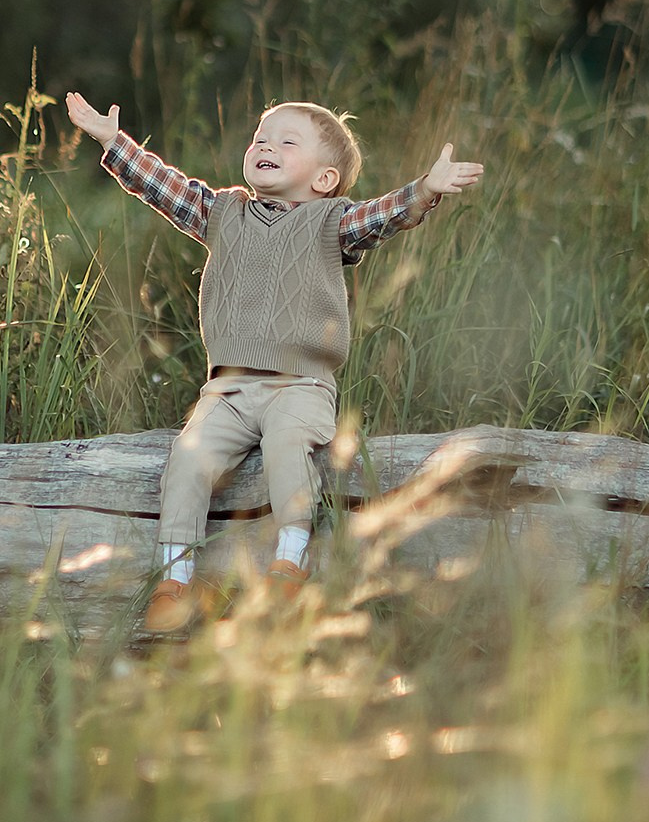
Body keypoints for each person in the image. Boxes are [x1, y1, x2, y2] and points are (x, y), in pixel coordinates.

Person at [65, 91, 484, 633]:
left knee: (288, 446)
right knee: (187, 461)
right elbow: (164, 187)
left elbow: (380, 217)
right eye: (261, 139)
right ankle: (175, 578)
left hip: (300, 386)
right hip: (226, 391)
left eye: (287, 142)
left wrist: (424, 190)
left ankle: (290, 561)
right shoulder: (223, 212)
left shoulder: (331, 222)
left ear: (325, 179)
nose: (266, 147)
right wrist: (113, 141)